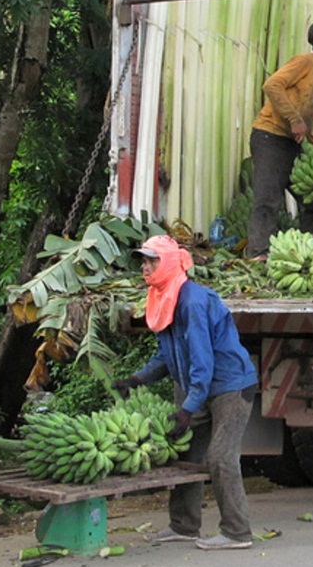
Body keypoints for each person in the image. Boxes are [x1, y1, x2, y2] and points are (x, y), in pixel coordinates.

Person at [111, 234, 259, 550]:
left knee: (220, 457)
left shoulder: (193, 301)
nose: (145, 268)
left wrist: (188, 408)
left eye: (152, 261)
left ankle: (237, 532)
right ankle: (184, 526)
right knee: (185, 454)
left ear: (168, 264)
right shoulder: (164, 296)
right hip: (197, 385)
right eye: (143, 261)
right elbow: (166, 354)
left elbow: (203, 363)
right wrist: (136, 380)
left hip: (230, 387)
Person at [245, 17, 313, 259]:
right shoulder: (305, 62)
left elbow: (308, 112)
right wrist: (294, 119)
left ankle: (306, 251)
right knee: (268, 197)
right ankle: (258, 252)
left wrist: (312, 139)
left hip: (293, 142)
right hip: (270, 136)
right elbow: (272, 85)